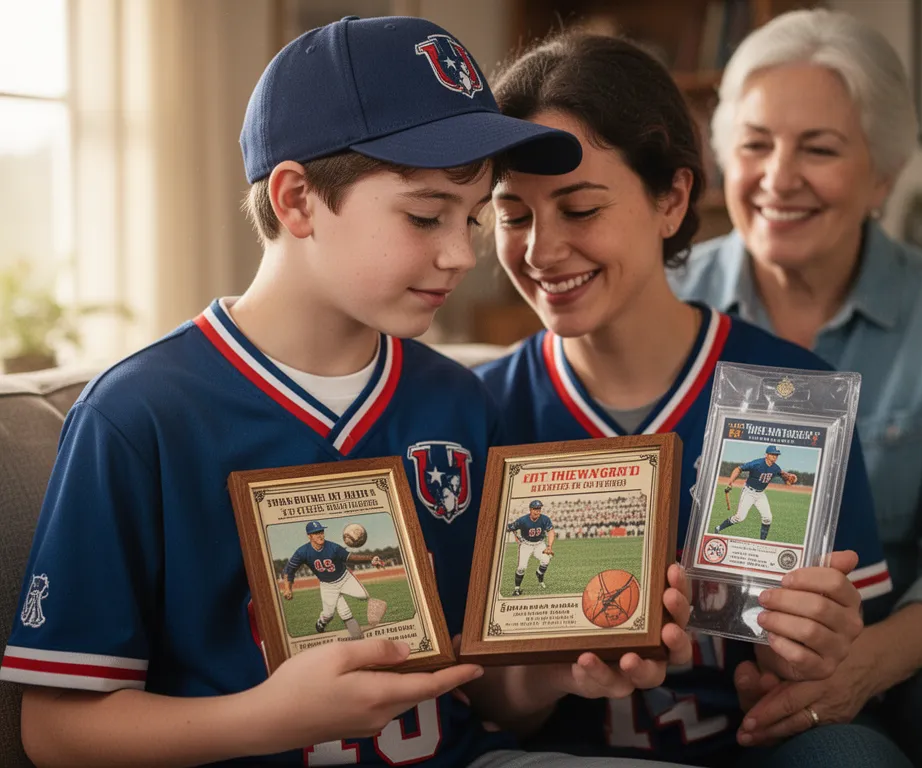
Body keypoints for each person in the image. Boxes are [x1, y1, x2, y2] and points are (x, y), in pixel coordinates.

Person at [0, 16, 693, 768]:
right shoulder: (138, 415)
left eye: (474, 217)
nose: (463, 254)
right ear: (296, 200)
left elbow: (487, 691)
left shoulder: (459, 400)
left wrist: (554, 671)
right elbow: (55, 733)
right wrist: (268, 717)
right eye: (425, 215)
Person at [476, 31, 909, 768]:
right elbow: (480, 704)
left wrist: (819, 650)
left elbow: (836, 674)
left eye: (579, 210)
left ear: (673, 198)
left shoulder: (791, 393)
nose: (541, 251)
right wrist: (548, 675)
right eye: (513, 215)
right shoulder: (479, 409)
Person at [668, 9, 922, 766]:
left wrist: (863, 666)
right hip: (705, 669)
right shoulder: (669, 299)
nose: (778, 178)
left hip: (905, 655)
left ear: (883, 175)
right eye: (755, 145)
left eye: (819, 149)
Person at [280, 520, 385, 637]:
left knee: (364, 595)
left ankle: (357, 637)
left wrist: (371, 558)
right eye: (316, 533)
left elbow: (351, 557)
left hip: (345, 578)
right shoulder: (302, 552)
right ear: (309, 536)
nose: (320, 535)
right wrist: (287, 588)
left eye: (321, 531)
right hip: (328, 585)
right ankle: (322, 622)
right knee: (329, 614)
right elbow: (289, 570)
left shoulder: (333, 547)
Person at [715, 445, 798, 540]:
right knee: (739, 517)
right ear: (766, 454)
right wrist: (730, 482)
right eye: (772, 454)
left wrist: (791, 478)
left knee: (767, 518)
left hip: (760, 494)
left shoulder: (776, 468)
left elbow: (786, 480)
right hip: (749, 492)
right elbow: (738, 469)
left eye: (777, 455)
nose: (775, 456)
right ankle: (718, 528)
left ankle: (762, 542)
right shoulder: (757, 464)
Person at [507, 499, 556, 594]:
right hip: (526, 545)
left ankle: (539, 574)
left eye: (539, 509)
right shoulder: (523, 520)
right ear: (530, 510)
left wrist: (549, 546)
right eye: (535, 509)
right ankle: (517, 589)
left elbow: (551, 531)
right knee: (521, 567)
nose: (537, 511)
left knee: (546, 560)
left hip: (539, 544)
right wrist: (515, 535)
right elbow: (510, 527)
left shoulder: (545, 519)